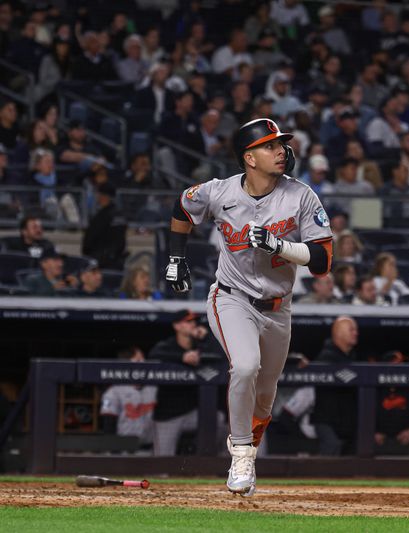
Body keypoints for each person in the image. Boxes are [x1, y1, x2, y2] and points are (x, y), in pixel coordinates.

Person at [165, 118, 333, 496]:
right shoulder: (219, 191)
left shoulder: (301, 195)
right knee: (244, 366)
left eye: (281, 145)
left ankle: (248, 446)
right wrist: (176, 258)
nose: (281, 151)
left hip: (278, 307)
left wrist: (280, 246)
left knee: (265, 394)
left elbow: (324, 260)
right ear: (249, 158)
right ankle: (241, 452)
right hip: (231, 297)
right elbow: (181, 206)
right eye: (270, 145)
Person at [150, 310, 226, 457]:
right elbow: (154, 354)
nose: (193, 325)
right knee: (161, 463)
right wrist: (182, 357)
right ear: (177, 326)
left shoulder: (201, 345)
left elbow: (223, 356)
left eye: (194, 321)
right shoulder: (168, 345)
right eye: (188, 321)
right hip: (168, 415)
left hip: (193, 412)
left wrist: (207, 337)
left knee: (219, 418)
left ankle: (203, 459)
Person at [311, 316, 360, 455]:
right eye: (351, 330)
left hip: (347, 422)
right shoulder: (326, 357)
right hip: (328, 421)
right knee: (330, 458)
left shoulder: (351, 357)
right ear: (339, 333)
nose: (356, 333)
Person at [100, 347, 157, 451]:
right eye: (138, 360)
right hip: (124, 449)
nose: (143, 363)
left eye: (143, 359)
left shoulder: (154, 388)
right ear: (125, 364)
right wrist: (113, 450)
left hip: (149, 448)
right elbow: (108, 425)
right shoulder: (113, 391)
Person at [81, 183, 128, 269]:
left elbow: (91, 238)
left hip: (101, 261)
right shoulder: (121, 215)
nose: (97, 196)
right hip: (118, 260)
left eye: (98, 194)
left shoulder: (103, 216)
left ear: (104, 196)